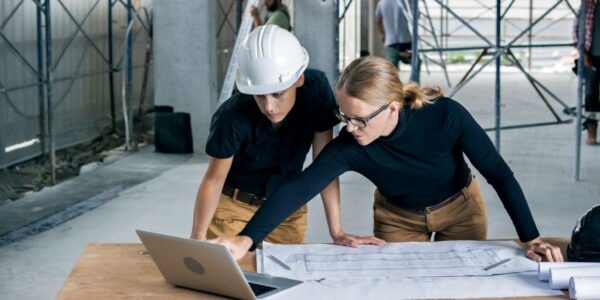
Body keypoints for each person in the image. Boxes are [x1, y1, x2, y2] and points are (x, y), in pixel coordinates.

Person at [211, 56, 564, 263]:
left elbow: (499, 174)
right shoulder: (352, 143)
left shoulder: (446, 117)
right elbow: (299, 187)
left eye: (358, 119)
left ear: (392, 107)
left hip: (460, 209)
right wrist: (246, 239)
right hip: (397, 218)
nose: (349, 128)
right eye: (343, 116)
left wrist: (530, 239)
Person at [190, 25, 343, 245]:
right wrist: (198, 237)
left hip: (288, 208)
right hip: (234, 209)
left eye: (278, 93)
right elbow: (214, 179)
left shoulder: (316, 92)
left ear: (298, 79)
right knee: (226, 277)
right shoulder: (232, 116)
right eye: (259, 96)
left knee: (285, 277)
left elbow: (325, 166)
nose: (269, 107)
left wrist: (336, 231)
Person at [574, 0, 600, 144]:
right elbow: (576, 29)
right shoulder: (588, 4)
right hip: (592, 57)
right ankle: (592, 132)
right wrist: (582, 52)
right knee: (591, 96)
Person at [376, 0, 412, 68]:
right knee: (414, 62)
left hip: (391, 43)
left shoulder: (382, 3)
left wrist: (382, 34)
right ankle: (414, 78)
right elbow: (415, 16)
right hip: (405, 42)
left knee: (392, 67)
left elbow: (378, 21)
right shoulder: (404, 1)